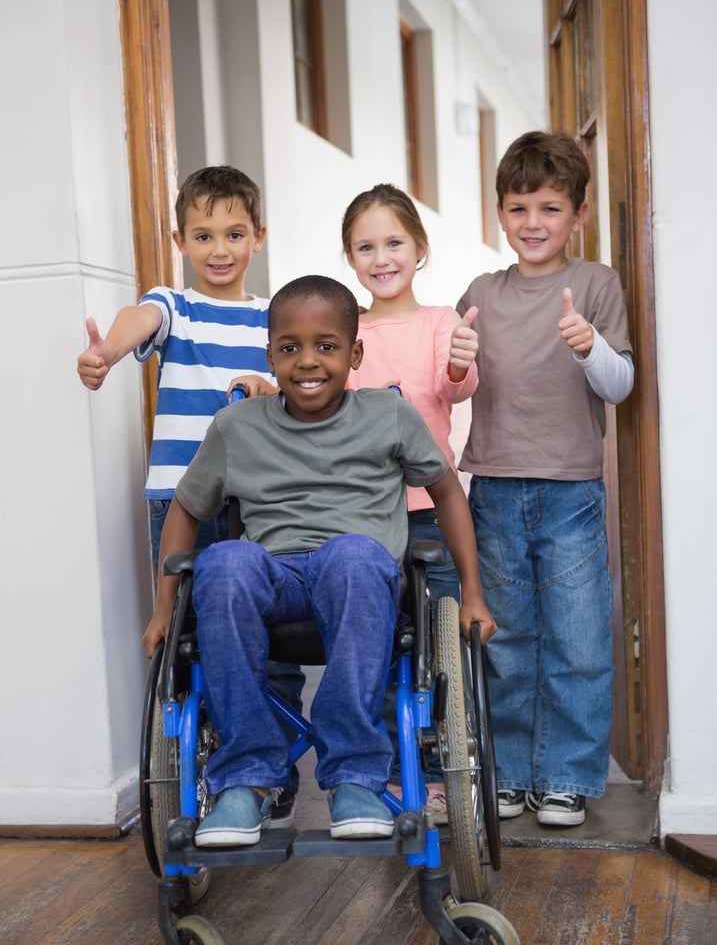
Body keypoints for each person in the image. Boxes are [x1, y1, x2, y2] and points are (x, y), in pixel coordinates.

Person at [141, 275, 496, 846]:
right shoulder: (236, 427)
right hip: (274, 577)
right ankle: (247, 779)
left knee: (353, 554)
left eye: (327, 346)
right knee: (225, 561)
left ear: (355, 353)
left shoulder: (389, 416)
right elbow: (185, 508)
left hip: (360, 577)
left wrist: (472, 595)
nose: (308, 361)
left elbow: (448, 492)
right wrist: (164, 610)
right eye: (290, 348)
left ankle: (354, 775)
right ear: (270, 354)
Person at [76, 165, 299, 825]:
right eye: (203, 235)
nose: (220, 248)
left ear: (258, 236)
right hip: (181, 498)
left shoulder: (272, 316)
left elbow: (298, 383)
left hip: (259, 500)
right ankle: (203, 765)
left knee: (271, 634)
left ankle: (272, 767)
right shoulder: (175, 305)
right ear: (180, 239)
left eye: (234, 233)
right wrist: (108, 353)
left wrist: (270, 391)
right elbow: (135, 318)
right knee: (186, 634)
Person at [457, 130, 634, 828]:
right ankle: (508, 773)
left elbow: (618, 387)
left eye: (550, 208)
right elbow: (457, 386)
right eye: (519, 208)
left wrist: (590, 347)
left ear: (579, 215)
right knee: (505, 639)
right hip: (494, 487)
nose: (533, 224)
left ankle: (563, 778)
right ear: (500, 213)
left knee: (578, 639)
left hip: (569, 490)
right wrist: (456, 362)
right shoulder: (480, 291)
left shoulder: (595, 284)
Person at [341, 183, 479, 820]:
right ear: (350, 258)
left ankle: (444, 766)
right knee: (374, 642)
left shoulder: (440, 321)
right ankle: (382, 772)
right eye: (365, 246)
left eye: (394, 242)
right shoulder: (347, 333)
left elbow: (457, 389)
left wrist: (458, 363)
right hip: (364, 514)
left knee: (436, 645)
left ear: (419, 249)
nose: (381, 256)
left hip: (430, 507)